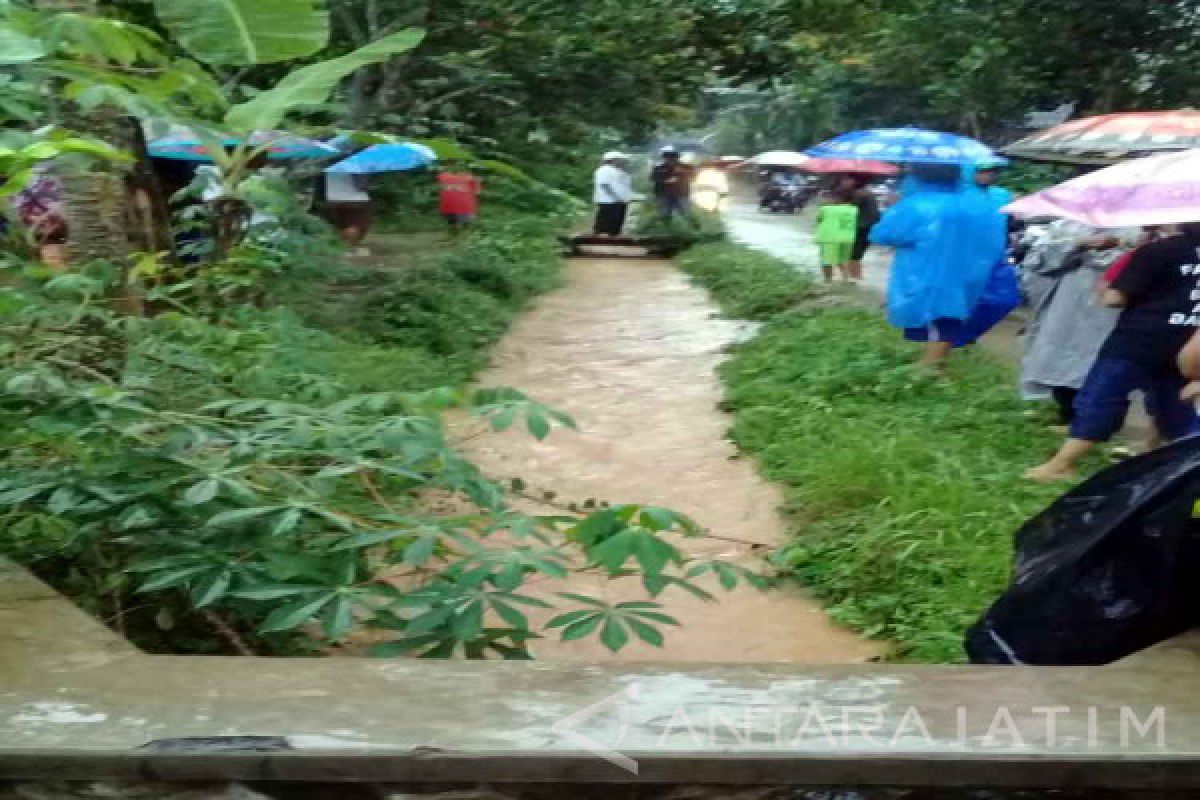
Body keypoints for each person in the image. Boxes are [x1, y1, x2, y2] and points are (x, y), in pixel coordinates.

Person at [1026, 223, 1200, 481]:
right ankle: (1182, 471)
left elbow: (1114, 298)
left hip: (1138, 339)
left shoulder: (1156, 251)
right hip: (1186, 345)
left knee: (1100, 398)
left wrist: (1110, 282)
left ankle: (1062, 464)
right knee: (1176, 410)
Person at [869, 163, 1007, 369]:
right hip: (966, 271)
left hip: (925, 270)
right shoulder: (978, 203)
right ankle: (935, 363)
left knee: (936, 315)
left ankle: (931, 367)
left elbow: (883, 235)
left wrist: (894, 208)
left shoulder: (917, 204)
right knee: (950, 314)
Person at [1019, 222, 1125, 426]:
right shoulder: (1069, 223)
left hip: (1112, 303)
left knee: (1099, 362)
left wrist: (1121, 246)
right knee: (1058, 357)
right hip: (1068, 300)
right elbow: (1039, 260)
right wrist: (1081, 244)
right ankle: (1066, 413)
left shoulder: (1142, 226)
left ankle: (1091, 421)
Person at [838, 174, 880, 281]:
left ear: (855, 181)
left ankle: (853, 279)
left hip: (862, 227)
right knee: (855, 255)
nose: (843, 182)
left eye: (846, 180)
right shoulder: (865, 192)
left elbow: (846, 209)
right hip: (868, 227)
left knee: (853, 255)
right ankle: (855, 278)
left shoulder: (861, 194)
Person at [815, 189, 859, 282]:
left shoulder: (826, 208)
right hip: (847, 238)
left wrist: (825, 205)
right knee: (843, 260)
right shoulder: (854, 209)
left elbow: (818, 220)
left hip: (829, 238)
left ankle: (828, 280)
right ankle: (846, 279)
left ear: (838, 198)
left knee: (827, 261)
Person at [323, 171, 372, 254]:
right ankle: (346, 248)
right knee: (355, 225)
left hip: (332, 197)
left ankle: (342, 247)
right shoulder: (357, 160)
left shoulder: (328, 160)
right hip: (356, 198)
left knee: (340, 226)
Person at [592, 151, 633, 236]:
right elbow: (604, 184)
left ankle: (613, 236)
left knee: (617, 220)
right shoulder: (604, 170)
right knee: (607, 219)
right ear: (612, 160)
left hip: (619, 200)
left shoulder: (619, 171)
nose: (622, 162)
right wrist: (615, 196)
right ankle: (600, 235)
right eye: (620, 160)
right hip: (608, 200)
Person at [437, 163, 483, 236]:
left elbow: (440, 175)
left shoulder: (443, 176)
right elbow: (477, 193)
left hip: (446, 210)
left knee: (453, 223)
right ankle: (462, 235)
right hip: (465, 210)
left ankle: (454, 232)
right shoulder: (473, 179)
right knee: (467, 222)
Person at [651, 146, 693, 217]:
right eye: (667, 157)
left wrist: (682, 173)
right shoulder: (659, 168)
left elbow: (693, 176)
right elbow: (653, 178)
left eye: (672, 157)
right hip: (663, 195)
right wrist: (665, 181)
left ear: (677, 158)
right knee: (663, 215)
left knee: (685, 215)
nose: (670, 159)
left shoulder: (686, 167)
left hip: (681, 195)